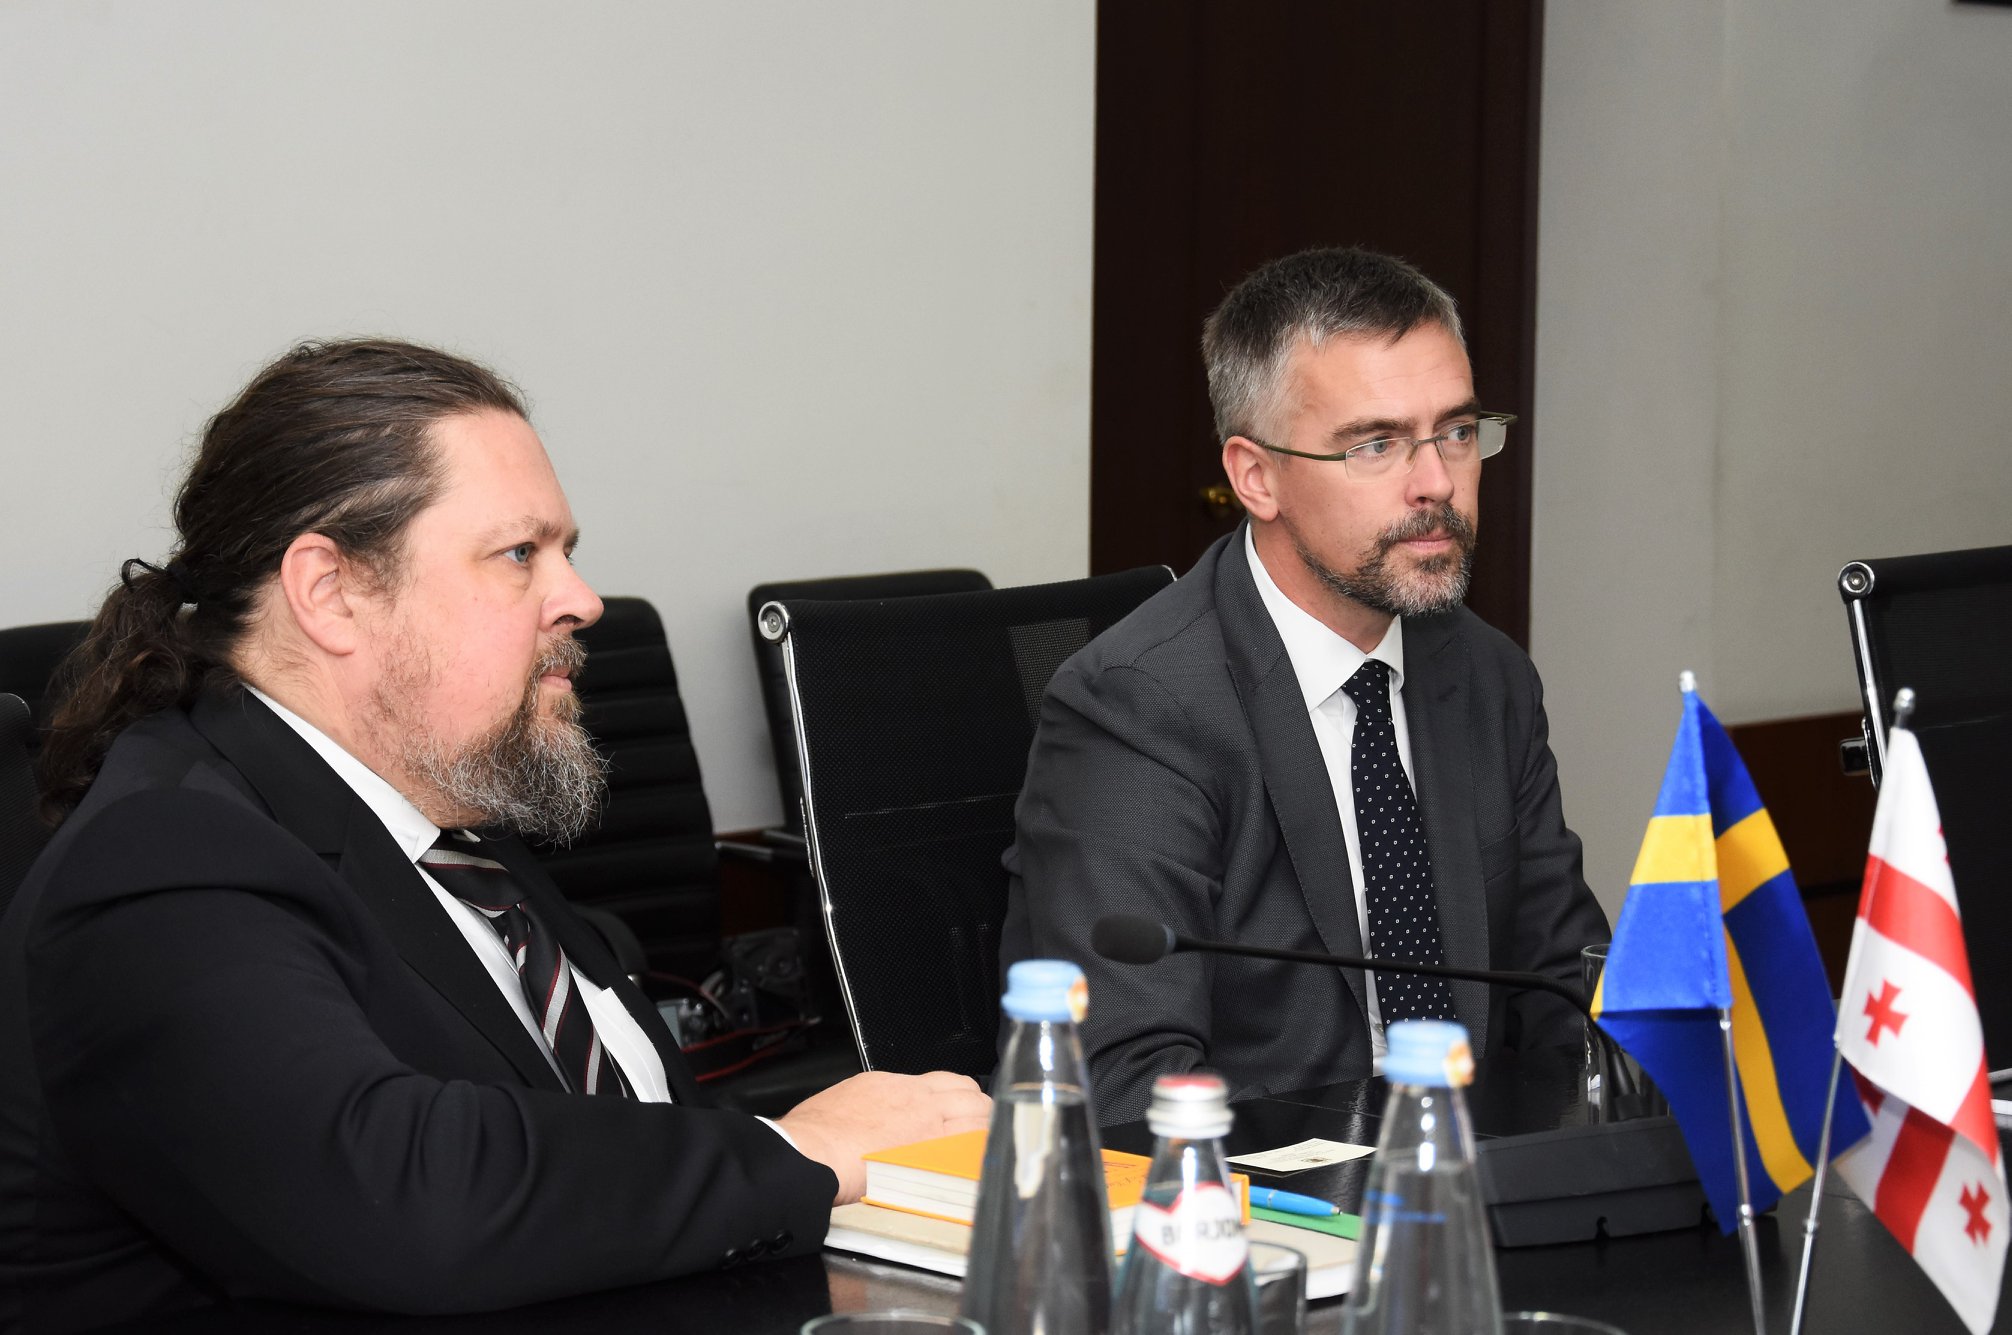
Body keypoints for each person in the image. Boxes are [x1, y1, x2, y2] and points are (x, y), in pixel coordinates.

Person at [0, 339, 989, 1333]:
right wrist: (800, 1149)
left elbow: (625, 1143)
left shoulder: (452, 821)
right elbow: (398, 1198)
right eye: (521, 553)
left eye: (565, 551)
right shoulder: (164, 856)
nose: (581, 599)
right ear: (331, 592)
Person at [1001, 247, 1608, 1122]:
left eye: (1457, 431)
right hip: (1260, 1188)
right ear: (1257, 477)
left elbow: (1570, 994)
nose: (1437, 482)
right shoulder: (1138, 708)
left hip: (1473, 1175)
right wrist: (1374, 1167)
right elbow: (1122, 1086)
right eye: (1376, 445)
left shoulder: (1486, 673)